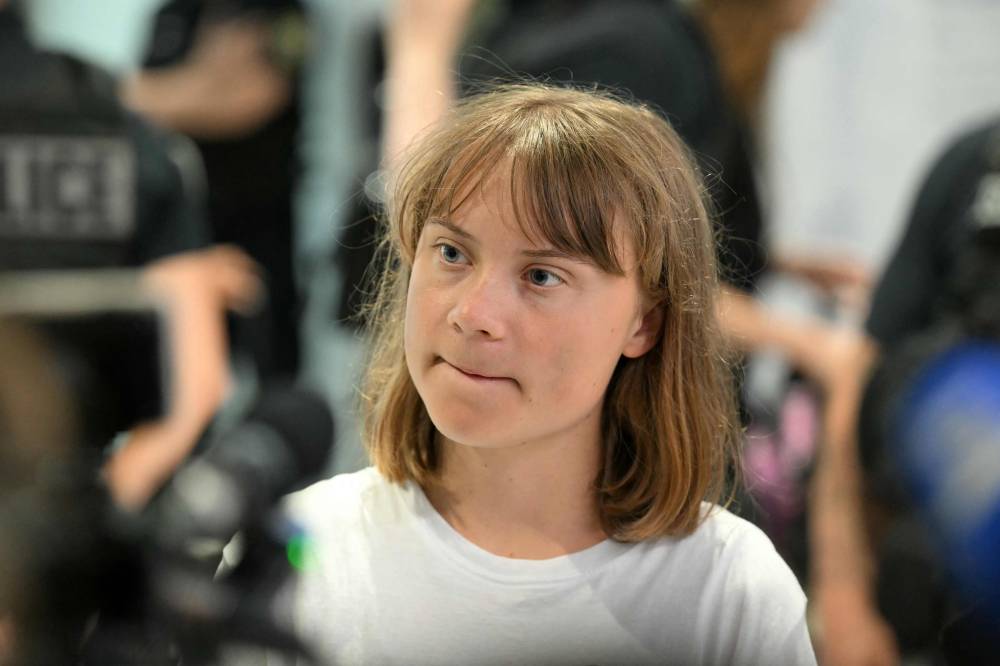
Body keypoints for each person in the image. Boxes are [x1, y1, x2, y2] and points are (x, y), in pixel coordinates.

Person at [271, 84, 816, 665]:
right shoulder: (304, 550)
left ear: (644, 324)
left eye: (541, 277)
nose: (473, 315)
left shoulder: (728, 591)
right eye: (452, 254)